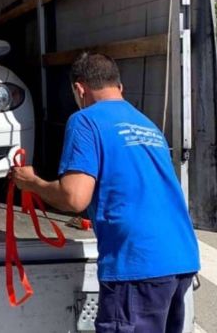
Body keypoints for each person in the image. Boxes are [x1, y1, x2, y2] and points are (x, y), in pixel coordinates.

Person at [12, 52, 200, 333]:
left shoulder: (85, 120)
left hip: (137, 263)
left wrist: (33, 183)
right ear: (119, 87)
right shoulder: (147, 124)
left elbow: (74, 197)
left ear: (79, 89)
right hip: (180, 258)